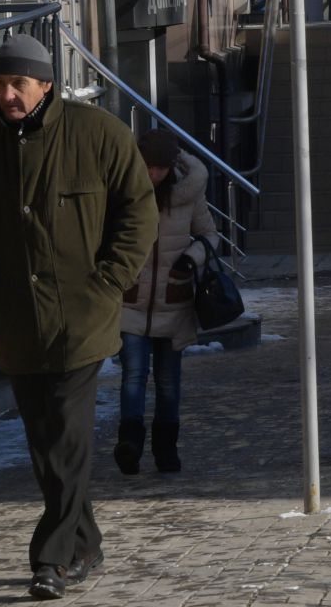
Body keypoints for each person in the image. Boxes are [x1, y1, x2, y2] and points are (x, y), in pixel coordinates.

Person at [0, 34, 157, 601]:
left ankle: (51, 559)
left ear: (46, 86)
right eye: (1, 84)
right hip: (16, 322)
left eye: (18, 84)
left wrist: (109, 281)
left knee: (69, 434)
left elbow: (138, 210)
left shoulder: (97, 134)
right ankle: (87, 543)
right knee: (44, 443)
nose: (7, 94)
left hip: (82, 319)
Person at [114, 130, 215, 478]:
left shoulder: (188, 196)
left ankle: (166, 450)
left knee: (169, 381)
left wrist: (191, 258)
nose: (153, 174)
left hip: (174, 301)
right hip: (131, 301)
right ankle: (128, 445)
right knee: (133, 376)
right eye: (147, 166)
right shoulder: (122, 194)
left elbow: (209, 235)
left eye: (160, 167)